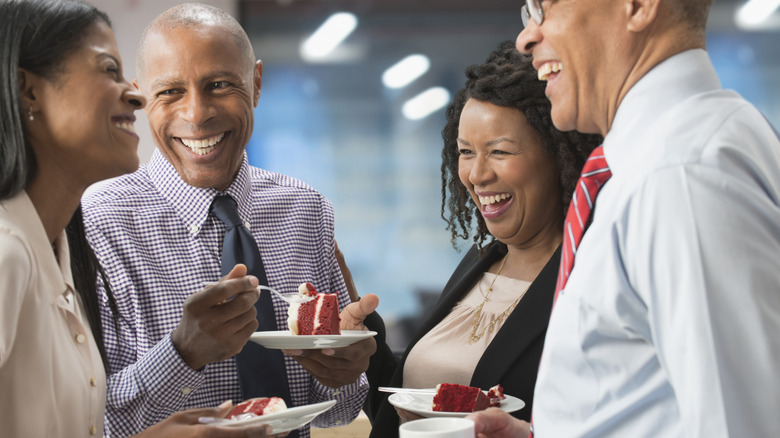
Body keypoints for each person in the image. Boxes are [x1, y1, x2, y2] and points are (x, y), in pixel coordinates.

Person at [469, 0, 780, 436]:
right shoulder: (665, 159)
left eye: (546, 7)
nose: (526, 37)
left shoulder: (678, 178)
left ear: (637, 6)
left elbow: (739, 426)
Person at [79, 3, 373, 437]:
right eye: (170, 92)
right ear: (142, 98)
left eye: (219, 85)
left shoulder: (307, 210)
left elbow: (335, 412)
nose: (197, 114)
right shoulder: (98, 221)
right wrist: (182, 354)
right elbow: (89, 420)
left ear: (255, 84)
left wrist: (346, 372)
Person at [0, 0, 271, 436]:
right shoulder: (9, 254)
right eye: (108, 70)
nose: (136, 96)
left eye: (220, 84)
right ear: (29, 92)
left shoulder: (59, 249)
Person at [341, 41, 600, 437]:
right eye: (465, 152)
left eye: (499, 151)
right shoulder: (482, 261)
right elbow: (406, 412)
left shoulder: (588, 278)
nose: (476, 175)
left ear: (558, 157)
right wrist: (365, 352)